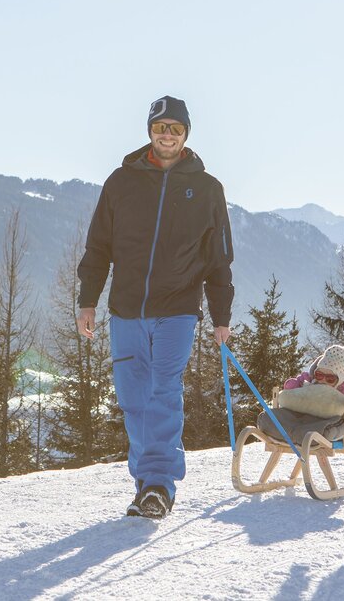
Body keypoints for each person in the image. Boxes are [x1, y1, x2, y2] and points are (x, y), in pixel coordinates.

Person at [76, 95, 234, 520]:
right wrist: (87, 300)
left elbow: (219, 260)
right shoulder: (120, 182)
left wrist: (221, 317)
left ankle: (160, 484)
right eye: (161, 127)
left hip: (178, 309)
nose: (168, 135)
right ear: (150, 131)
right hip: (126, 309)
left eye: (175, 129)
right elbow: (98, 247)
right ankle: (144, 482)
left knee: (163, 389)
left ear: (186, 135)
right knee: (133, 397)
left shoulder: (207, 189)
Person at [282, 344, 344, 422]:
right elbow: (298, 382)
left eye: (330, 378)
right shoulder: (312, 379)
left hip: (339, 421)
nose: (322, 380)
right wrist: (293, 386)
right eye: (319, 375)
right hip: (311, 416)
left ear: (341, 378)